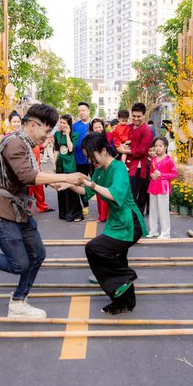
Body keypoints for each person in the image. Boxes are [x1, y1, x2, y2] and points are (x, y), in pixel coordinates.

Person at [0, 104, 87, 319]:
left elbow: (27, 174)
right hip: (3, 210)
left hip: (19, 207)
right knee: (19, 264)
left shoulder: (25, 143)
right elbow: (26, 176)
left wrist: (52, 182)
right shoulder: (15, 143)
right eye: (46, 129)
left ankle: (18, 303)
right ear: (33, 125)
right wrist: (66, 177)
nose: (48, 135)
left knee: (37, 255)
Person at [58, 133, 147, 315]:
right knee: (117, 258)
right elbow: (87, 191)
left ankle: (125, 276)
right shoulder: (100, 170)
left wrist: (90, 184)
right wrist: (67, 184)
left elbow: (114, 195)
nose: (91, 161)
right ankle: (124, 303)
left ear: (104, 150)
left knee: (94, 248)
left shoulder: (119, 168)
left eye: (92, 156)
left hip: (130, 223)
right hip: (116, 222)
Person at [117, 102, 152, 215]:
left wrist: (124, 151)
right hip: (125, 163)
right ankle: (127, 219)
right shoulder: (129, 127)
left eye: (139, 116)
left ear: (144, 115)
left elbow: (142, 151)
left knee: (132, 194)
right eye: (134, 116)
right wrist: (120, 147)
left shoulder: (147, 131)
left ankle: (134, 222)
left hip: (137, 166)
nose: (136, 118)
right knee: (125, 192)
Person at [54, 114, 83, 222]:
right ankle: (64, 213)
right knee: (61, 188)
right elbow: (56, 149)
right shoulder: (56, 134)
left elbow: (71, 149)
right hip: (60, 165)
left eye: (64, 123)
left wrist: (67, 134)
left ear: (69, 124)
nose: (62, 125)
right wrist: (54, 162)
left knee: (71, 189)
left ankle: (76, 213)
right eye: (60, 122)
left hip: (70, 165)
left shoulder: (74, 135)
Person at [147, 137, 177, 239]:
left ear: (165, 147)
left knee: (163, 211)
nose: (158, 148)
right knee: (153, 209)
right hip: (153, 186)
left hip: (163, 188)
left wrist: (161, 175)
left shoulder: (169, 160)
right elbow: (151, 171)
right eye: (156, 146)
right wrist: (152, 175)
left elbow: (174, 174)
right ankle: (153, 230)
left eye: (160, 146)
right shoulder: (153, 159)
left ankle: (165, 233)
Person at [90, 117, 113, 222]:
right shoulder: (90, 139)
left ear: (103, 127)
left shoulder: (109, 136)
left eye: (100, 126)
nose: (98, 129)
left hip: (109, 166)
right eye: (95, 127)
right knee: (99, 190)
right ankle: (102, 215)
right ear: (92, 128)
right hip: (97, 167)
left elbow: (113, 149)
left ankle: (110, 215)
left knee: (109, 190)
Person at [73, 102, 92, 215]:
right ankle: (85, 205)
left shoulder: (94, 124)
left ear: (88, 111)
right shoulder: (75, 126)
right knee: (81, 183)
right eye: (79, 111)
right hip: (79, 160)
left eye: (83, 110)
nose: (81, 113)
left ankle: (103, 207)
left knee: (97, 182)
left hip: (94, 161)